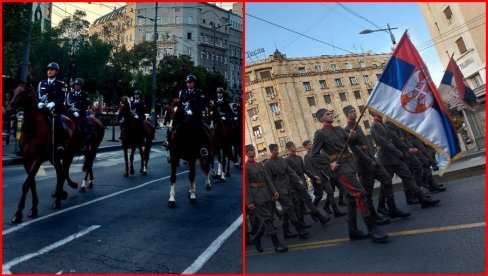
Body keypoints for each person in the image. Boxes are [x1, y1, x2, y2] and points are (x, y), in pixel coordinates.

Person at [312, 108, 389, 243]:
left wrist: (352, 137)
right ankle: (372, 229)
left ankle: (353, 231)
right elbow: (314, 155)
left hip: (350, 164)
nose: (330, 115)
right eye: (327, 114)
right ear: (321, 119)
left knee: (351, 199)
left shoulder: (340, 130)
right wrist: (329, 165)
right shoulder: (320, 133)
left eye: (330, 113)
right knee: (360, 193)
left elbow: (352, 143)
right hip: (340, 168)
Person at [343, 105, 410, 223]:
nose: (354, 113)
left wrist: (373, 157)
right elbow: (355, 149)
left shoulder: (357, 126)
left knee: (387, 179)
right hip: (363, 164)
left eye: (354, 111)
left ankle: (392, 208)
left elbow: (366, 145)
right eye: (351, 112)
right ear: (346, 115)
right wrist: (369, 161)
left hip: (372, 159)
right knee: (367, 192)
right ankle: (373, 216)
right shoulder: (347, 129)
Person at [369, 110, 440, 210]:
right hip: (386, 158)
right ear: (373, 112)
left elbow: (395, 139)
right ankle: (381, 206)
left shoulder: (381, 124)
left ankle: (422, 199)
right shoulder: (376, 125)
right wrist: (400, 152)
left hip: (394, 156)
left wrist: (405, 150)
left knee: (408, 176)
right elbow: (385, 142)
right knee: (386, 182)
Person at [246, 144, 288, 253]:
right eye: (250, 150)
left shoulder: (259, 164)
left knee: (267, 218)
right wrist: (249, 201)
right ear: (246, 153)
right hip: (256, 196)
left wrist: (274, 191)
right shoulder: (246, 167)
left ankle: (256, 238)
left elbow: (267, 179)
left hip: (265, 194)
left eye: (254, 150)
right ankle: (276, 244)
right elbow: (246, 186)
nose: (253, 152)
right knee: (268, 218)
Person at [264, 144, 310, 240]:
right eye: (275, 150)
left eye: (277, 149)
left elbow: (290, 171)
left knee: (290, 207)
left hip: (287, 186)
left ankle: (286, 231)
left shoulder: (282, 160)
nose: (277, 151)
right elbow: (268, 180)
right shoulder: (268, 164)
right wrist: (273, 191)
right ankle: (299, 230)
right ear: (271, 151)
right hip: (279, 188)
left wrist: (298, 180)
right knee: (289, 207)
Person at [284, 141, 332, 226]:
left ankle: (309, 220)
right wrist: (292, 187)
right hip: (295, 184)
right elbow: (289, 174)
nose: (294, 147)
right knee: (300, 203)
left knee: (305, 201)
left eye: (294, 145)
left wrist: (313, 176)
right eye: (292, 146)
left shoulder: (299, 158)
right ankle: (308, 221)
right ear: (288, 149)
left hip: (302, 182)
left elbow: (305, 170)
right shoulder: (287, 160)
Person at [302, 140, 345, 217]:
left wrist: (327, 174)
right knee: (319, 196)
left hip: (324, 177)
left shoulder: (316, 154)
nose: (311, 145)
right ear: (305, 147)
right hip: (317, 179)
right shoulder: (306, 156)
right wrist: (315, 178)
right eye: (309, 144)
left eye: (311, 143)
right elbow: (308, 169)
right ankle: (313, 211)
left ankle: (336, 211)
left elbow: (323, 164)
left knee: (330, 192)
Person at [37, 62, 68, 154]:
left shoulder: (61, 84)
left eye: (52, 70)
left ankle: (60, 145)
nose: (49, 71)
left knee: (59, 125)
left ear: (56, 72)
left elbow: (62, 98)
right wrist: (39, 103)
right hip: (42, 109)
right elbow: (37, 95)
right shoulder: (41, 83)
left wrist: (53, 103)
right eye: (48, 69)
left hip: (54, 110)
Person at [177, 74, 211, 157]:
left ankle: (203, 147)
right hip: (185, 116)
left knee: (201, 129)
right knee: (175, 126)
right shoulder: (183, 92)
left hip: (196, 117)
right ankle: (171, 143)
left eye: (190, 82)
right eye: (187, 82)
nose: (188, 84)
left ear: (194, 83)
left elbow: (202, 105)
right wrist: (183, 111)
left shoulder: (199, 93)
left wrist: (193, 111)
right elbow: (180, 104)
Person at [66, 77, 90, 149]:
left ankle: (83, 142)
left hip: (80, 114)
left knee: (83, 126)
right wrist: (70, 111)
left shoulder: (84, 94)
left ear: (81, 86)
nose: (76, 86)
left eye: (78, 85)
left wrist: (79, 113)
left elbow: (86, 105)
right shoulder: (70, 94)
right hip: (71, 113)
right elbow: (67, 104)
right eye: (75, 85)